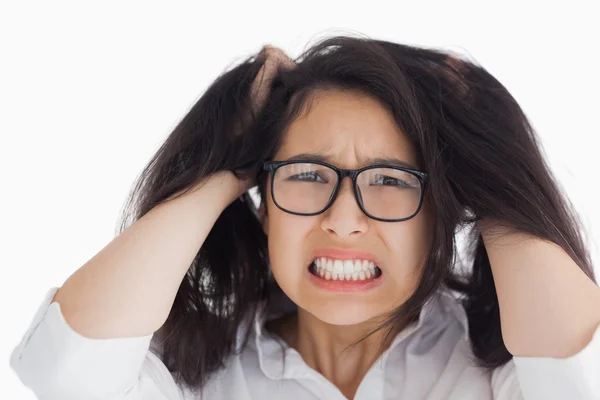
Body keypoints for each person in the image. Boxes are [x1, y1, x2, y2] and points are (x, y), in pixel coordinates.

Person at [9, 36, 600, 400]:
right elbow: (67, 372)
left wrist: (487, 153)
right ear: (263, 204)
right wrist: (222, 168)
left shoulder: (497, 368)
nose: (343, 220)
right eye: (308, 176)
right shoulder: (200, 376)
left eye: (391, 181)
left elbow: (584, 381)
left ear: (442, 211)